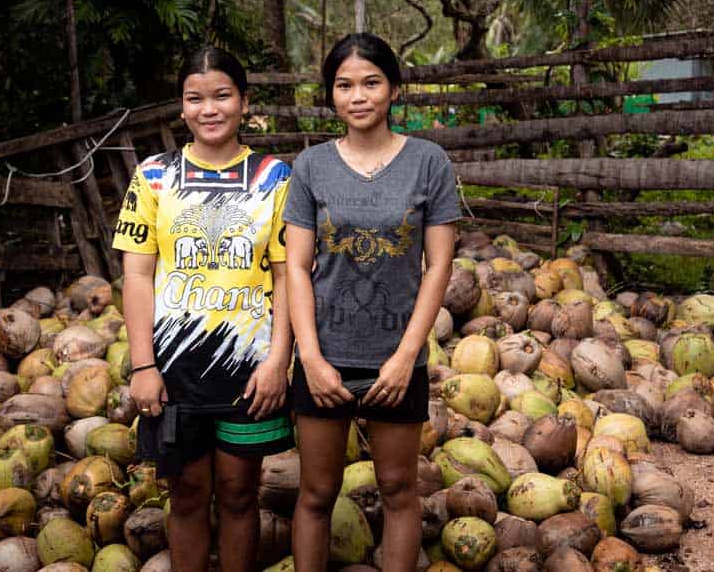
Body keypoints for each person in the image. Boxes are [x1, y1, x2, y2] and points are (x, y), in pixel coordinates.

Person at [114, 46, 294, 572]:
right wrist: (143, 366)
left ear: (244, 102)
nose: (209, 109)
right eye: (195, 98)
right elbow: (137, 275)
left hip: (250, 371)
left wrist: (277, 361)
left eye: (222, 96)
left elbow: (288, 275)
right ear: (182, 106)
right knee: (187, 494)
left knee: (239, 493)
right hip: (174, 371)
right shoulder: (153, 176)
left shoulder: (275, 177)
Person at [284, 33, 460, 571]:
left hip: (395, 357)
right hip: (325, 355)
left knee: (398, 489)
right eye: (344, 86)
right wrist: (310, 359)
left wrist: (407, 357)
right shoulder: (311, 167)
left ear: (394, 89)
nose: (357, 96)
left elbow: (439, 266)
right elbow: (296, 267)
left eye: (371, 83)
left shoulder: (428, 162)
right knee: (317, 493)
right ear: (331, 95)